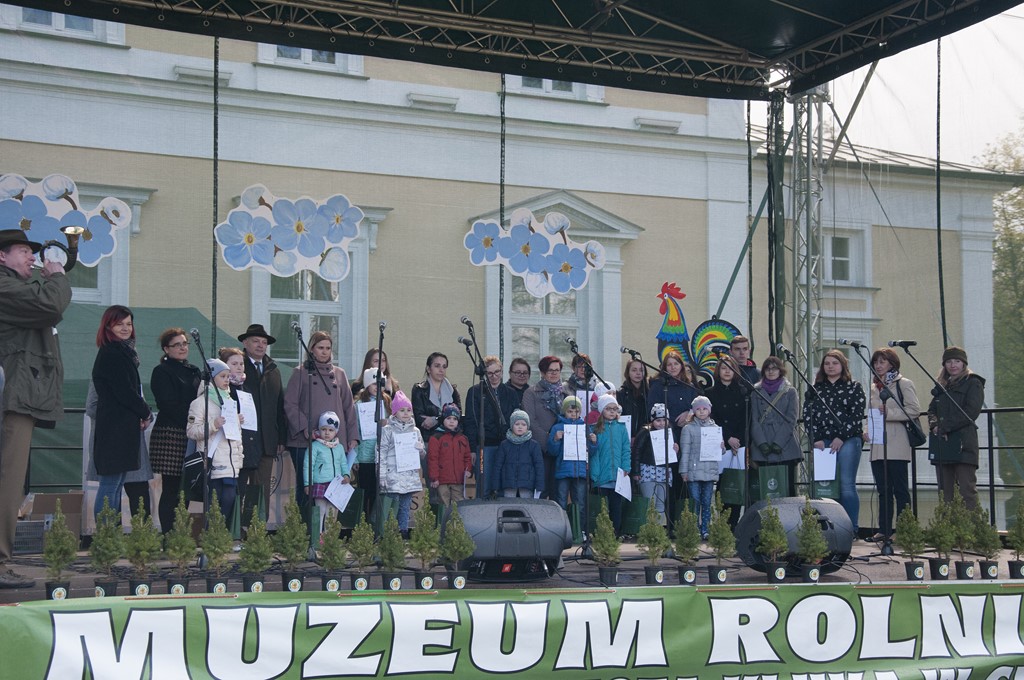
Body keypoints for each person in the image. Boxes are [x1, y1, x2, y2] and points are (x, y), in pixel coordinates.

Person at [0, 229, 71, 588]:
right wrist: (56, 276)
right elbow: (49, 307)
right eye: (24, 251)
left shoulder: (17, 286)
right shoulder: (4, 286)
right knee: (7, 480)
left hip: (17, 394)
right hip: (10, 396)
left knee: (11, 481)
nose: (32, 257)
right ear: (2, 257)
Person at [284, 330, 359, 518]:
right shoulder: (300, 372)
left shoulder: (340, 374)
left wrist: (353, 437)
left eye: (328, 348)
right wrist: (305, 428)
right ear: (311, 349)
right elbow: (290, 404)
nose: (324, 352)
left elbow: (349, 407)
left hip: (335, 443)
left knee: (333, 489)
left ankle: (329, 530)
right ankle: (306, 528)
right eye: (320, 348)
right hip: (306, 441)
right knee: (307, 487)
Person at [92, 305, 154, 520]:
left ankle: (108, 532)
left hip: (121, 428)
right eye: (119, 324)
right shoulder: (112, 353)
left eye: (129, 324)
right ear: (108, 326)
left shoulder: (121, 352)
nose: (126, 328)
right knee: (110, 485)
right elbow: (125, 391)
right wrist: (145, 412)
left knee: (116, 484)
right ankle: (105, 533)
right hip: (114, 430)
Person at [803, 349, 866, 534]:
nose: (830, 366)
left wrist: (841, 437)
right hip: (822, 441)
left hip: (848, 439)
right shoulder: (815, 389)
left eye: (835, 363)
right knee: (826, 486)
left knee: (846, 485)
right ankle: (831, 529)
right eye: (827, 363)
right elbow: (808, 415)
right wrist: (816, 438)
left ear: (843, 365)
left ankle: (851, 528)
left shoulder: (854, 387)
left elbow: (856, 415)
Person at [149, 327, 202, 533]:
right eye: (177, 345)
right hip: (171, 433)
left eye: (184, 343)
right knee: (172, 487)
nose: (182, 348)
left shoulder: (194, 370)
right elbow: (166, 404)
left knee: (186, 487)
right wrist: (191, 422)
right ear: (166, 349)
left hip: (192, 433)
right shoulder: (162, 371)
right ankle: (168, 535)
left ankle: (180, 533)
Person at [866, 347, 919, 540]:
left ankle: (904, 530)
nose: (878, 365)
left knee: (900, 489)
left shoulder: (903, 383)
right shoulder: (874, 387)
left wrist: (890, 414)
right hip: (877, 444)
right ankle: (884, 530)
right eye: (876, 362)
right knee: (883, 490)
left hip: (897, 443)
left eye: (883, 361)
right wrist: (866, 430)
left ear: (892, 363)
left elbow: (914, 410)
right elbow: (871, 412)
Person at [238, 323, 286, 520]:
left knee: (261, 489)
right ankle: (235, 530)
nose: (260, 345)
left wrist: (281, 437)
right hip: (242, 438)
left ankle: (257, 529)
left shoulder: (273, 369)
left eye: (264, 342)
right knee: (239, 488)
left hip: (267, 439)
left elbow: (279, 406)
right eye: (256, 341)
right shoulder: (237, 366)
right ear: (245, 343)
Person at [187, 359, 244, 526]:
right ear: (211, 378)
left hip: (231, 464)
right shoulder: (200, 403)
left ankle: (222, 534)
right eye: (222, 376)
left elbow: (236, 436)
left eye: (228, 376)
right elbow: (191, 431)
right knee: (214, 503)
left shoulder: (230, 401)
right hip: (213, 462)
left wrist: (239, 458)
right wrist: (213, 424)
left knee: (229, 500)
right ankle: (210, 535)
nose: (227, 380)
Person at [927, 346, 985, 510]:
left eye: (957, 361)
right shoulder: (942, 386)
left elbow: (971, 412)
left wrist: (945, 427)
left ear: (964, 363)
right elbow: (931, 410)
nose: (953, 365)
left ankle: (971, 525)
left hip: (964, 444)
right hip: (943, 445)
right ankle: (947, 525)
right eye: (949, 362)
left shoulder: (973, 383)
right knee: (945, 493)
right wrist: (934, 425)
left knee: (967, 491)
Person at [462, 355, 518, 499]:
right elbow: (470, 421)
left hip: (506, 444)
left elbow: (515, 418)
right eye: (490, 373)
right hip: (484, 444)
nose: (494, 376)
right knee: (484, 486)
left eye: (497, 372)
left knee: (504, 484)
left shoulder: (510, 392)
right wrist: (472, 448)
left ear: (502, 371)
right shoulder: (475, 391)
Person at [749, 356, 801, 497]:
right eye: (767, 369)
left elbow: (791, 419)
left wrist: (779, 442)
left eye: (774, 368)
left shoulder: (790, 392)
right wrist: (761, 443)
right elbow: (754, 419)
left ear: (780, 371)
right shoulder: (756, 392)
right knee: (765, 490)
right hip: (762, 444)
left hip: (785, 445)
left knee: (787, 488)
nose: (771, 371)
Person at [707, 359, 749, 527]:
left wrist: (738, 439)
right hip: (721, 444)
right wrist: (727, 438)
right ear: (718, 371)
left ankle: (734, 524)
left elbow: (746, 418)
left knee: (736, 485)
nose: (727, 371)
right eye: (723, 368)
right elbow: (712, 419)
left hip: (739, 445)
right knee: (724, 485)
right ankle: (723, 524)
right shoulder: (710, 393)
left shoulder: (743, 392)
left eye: (730, 368)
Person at [378, 390, 424, 535]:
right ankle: (389, 533)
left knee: (405, 506)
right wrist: (382, 475)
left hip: (409, 476)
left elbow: (422, 455)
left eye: (408, 410)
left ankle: (402, 531)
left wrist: (420, 449)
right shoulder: (387, 430)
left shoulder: (415, 431)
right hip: (393, 475)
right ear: (394, 412)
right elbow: (381, 453)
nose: (405, 413)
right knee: (393, 505)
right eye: (402, 410)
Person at [521, 355, 565, 497]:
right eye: (550, 370)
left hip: (562, 449)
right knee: (542, 488)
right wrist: (550, 440)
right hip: (541, 448)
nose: (554, 373)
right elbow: (530, 421)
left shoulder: (566, 393)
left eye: (557, 370)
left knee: (559, 492)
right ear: (542, 372)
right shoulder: (531, 392)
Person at [679, 395, 723, 540]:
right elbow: (685, 451)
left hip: (709, 470)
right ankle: (694, 528)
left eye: (705, 408)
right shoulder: (688, 429)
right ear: (694, 411)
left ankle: (706, 528)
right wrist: (683, 471)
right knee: (695, 501)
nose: (702, 411)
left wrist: (722, 447)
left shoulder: (715, 428)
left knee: (707, 502)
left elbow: (720, 452)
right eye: (698, 409)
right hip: (693, 471)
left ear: (709, 410)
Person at [303, 411, 350, 537]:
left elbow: (343, 463)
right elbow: (308, 465)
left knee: (331, 512)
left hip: (335, 484)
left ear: (336, 431)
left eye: (331, 430)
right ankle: (317, 535)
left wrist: (346, 475)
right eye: (324, 429)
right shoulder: (315, 447)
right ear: (319, 430)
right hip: (320, 482)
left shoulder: (339, 447)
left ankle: (329, 537)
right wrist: (308, 483)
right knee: (320, 510)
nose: (327, 433)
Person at [590, 393, 631, 534]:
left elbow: (626, 449)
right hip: (601, 475)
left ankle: (615, 533)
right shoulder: (595, 429)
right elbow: (594, 454)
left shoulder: (621, 427)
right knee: (602, 507)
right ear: (602, 410)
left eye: (615, 409)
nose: (612, 412)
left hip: (618, 475)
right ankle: (602, 533)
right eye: (608, 409)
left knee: (616, 506)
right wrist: (594, 473)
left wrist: (626, 467)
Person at [630, 403, 677, 525]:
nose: (661, 423)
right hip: (647, 470)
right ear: (652, 420)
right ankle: (648, 529)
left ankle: (658, 529)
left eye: (664, 420)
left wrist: (677, 450)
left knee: (660, 503)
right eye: (658, 420)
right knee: (650, 501)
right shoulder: (645, 432)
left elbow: (674, 457)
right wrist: (636, 471)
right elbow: (637, 452)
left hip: (664, 471)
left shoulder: (670, 433)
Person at [546, 396, 594, 513]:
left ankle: (579, 525)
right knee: (561, 501)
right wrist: (555, 440)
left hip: (580, 471)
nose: (573, 414)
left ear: (580, 412)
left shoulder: (585, 428)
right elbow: (552, 452)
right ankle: (562, 524)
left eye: (576, 411)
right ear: (564, 412)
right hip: (562, 470)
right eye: (569, 411)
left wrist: (593, 443)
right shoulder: (557, 427)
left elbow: (591, 452)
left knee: (580, 503)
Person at [354, 367, 390, 521]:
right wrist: (355, 458)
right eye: (374, 383)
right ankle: (363, 523)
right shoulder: (359, 404)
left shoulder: (387, 402)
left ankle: (376, 524)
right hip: (365, 456)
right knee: (365, 492)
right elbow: (355, 430)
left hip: (382, 455)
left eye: (380, 384)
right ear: (367, 384)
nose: (377, 387)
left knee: (379, 492)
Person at [427, 403, 472, 507]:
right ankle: (444, 518)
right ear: (443, 419)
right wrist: (434, 477)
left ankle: (456, 519)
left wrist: (468, 469)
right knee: (443, 505)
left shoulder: (463, 438)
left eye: (455, 419)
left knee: (459, 505)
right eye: (448, 418)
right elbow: (432, 459)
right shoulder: (436, 437)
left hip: (458, 480)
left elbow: (467, 457)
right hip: (442, 480)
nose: (452, 421)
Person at [493, 410, 545, 498]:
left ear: (528, 426)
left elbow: (539, 467)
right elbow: (498, 466)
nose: (520, 427)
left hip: (527, 486)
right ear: (511, 425)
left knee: (527, 505)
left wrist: (539, 486)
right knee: (508, 505)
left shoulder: (534, 445)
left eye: (524, 424)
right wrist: (495, 486)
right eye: (517, 424)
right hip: (508, 485)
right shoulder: (504, 445)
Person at [617, 358, 650, 442]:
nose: (638, 373)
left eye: (641, 370)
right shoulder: (621, 393)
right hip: (627, 439)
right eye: (634, 370)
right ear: (628, 372)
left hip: (647, 438)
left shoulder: (649, 392)